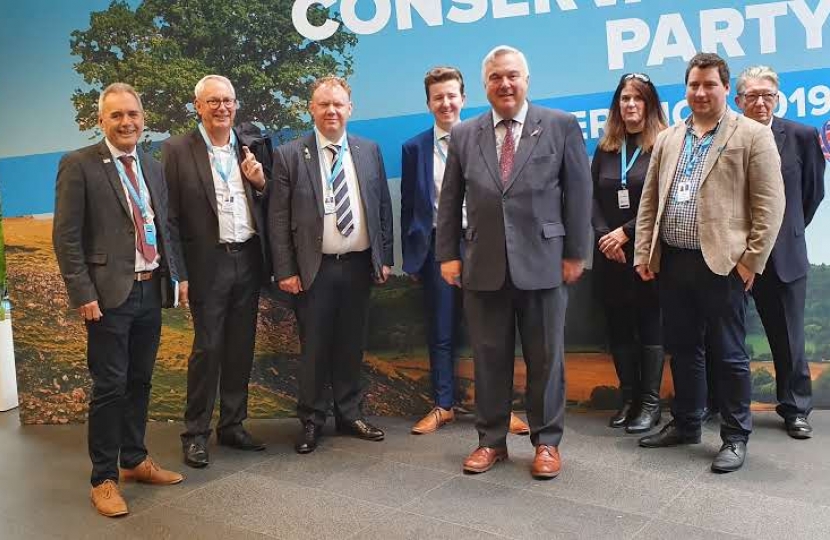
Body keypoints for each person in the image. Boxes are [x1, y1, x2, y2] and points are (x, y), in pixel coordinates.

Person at [436, 46, 592, 479]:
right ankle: (490, 441)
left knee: (546, 360)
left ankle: (546, 443)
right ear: (484, 85)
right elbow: (450, 201)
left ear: (526, 80)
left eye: (512, 76)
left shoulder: (559, 125)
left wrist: (576, 252)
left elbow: (579, 195)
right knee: (489, 359)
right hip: (482, 265)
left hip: (544, 263)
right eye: (495, 78)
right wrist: (448, 255)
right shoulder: (465, 133)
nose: (505, 84)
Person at [634, 53, 785, 473]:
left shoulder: (752, 135)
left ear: (724, 88)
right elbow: (650, 202)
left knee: (730, 354)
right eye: (693, 85)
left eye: (709, 85)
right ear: (685, 89)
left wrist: (750, 262)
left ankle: (735, 436)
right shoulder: (668, 138)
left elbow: (770, 206)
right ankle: (686, 423)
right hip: (674, 262)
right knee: (683, 349)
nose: (700, 93)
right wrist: (644, 252)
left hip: (723, 265)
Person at [53, 83, 184, 517]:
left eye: (133, 114)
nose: (126, 122)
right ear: (101, 121)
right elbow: (67, 237)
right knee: (110, 386)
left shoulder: (152, 164)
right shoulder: (79, 165)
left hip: (149, 288)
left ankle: (134, 460)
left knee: (141, 381)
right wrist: (82, 293)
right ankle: (103, 479)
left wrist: (176, 278)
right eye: (116, 116)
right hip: (108, 297)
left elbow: (163, 224)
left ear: (143, 118)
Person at [400, 66, 530, 436]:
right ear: (428, 103)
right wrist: (413, 256)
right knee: (441, 332)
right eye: (438, 97)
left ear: (463, 98)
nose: (446, 103)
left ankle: (500, 410)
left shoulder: (485, 138)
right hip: (437, 250)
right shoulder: (414, 148)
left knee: (490, 332)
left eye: (451, 95)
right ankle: (443, 406)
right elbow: (409, 205)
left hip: (481, 245)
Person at [270, 76, 394, 454]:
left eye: (338, 104)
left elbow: (382, 206)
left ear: (350, 109)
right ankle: (311, 419)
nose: (331, 111)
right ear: (312, 108)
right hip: (314, 270)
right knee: (315, 348)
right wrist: (286, 270)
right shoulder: (290, 154)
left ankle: (349, 413)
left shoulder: (368, 150)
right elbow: (277, 219)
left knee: (351, 344)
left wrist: (384, 256)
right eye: (324, 104)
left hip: (358, 266)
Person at [163, 75, 269, 469]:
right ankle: (195, 434)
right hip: (207, 264)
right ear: (198, 107)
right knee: (208, 349)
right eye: (213, 101)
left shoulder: (250, 144)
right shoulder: (176, 149)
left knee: (241, 347)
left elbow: (269, 197)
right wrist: (179, 272)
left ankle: (233, 425)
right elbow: (169, 218)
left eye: (227, 100)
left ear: (235, 105)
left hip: (248, 257)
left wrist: (260, 183)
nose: (221, 107)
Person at [733, 65, 825, 438]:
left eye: (767, 95)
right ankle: (725, 406)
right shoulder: (726, 137)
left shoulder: (802, 136)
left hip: (784, 255)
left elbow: (812, 193)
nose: (759, 102)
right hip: (735, 258)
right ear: (738, 101)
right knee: (727, 336)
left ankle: (795, 409)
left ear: (776, 98)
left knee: (789, 338)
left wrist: (785, 232)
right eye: (751, 95)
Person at [591, 72, 667, 434]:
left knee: (649, 325)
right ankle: (629, 398)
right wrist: (606, 235)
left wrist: (626, 233)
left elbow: (664, 202)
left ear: (650, 105)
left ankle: (651, 404)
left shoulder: (663, 145)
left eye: (638, 99)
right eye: (624, 99)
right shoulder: (606, 148)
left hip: (646, 255)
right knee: (618, 326)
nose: (631, 105)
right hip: (609, 256)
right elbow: (589, 197)